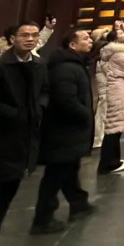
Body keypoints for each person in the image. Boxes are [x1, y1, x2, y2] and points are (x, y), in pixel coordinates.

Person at [0, 20, 47, 246]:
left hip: (25, 140)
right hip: (2, 140)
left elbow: (45, 90)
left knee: (7, 195)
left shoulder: (39, 64)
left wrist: (39, 108)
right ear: (12, 39)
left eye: (34, 35)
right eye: (25, 35)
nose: (30, 39)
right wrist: (13, 114)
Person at [32, 29, 97, 234]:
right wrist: (85, 115)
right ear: (72, 44)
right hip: (65, 129)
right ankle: (42, 218)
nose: (90, 41)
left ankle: (78, 202)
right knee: (56, 173)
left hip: (68, 129)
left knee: (68, 168)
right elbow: (65, 100)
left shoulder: (74, 64)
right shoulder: (66, 68)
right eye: (85, 38)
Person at [96, 29, 124, 174]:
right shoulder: (119, 54)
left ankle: (113, 160)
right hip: (120, 92)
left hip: (117, 91)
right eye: (121, 33)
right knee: (114, 130)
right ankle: (109, 163)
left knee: (114, 128)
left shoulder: (110, 53)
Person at [89, 27, 110, 150]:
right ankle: (97, 137)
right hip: (103, 83)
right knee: (102, 110)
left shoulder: (94, 50)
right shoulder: (103, 49)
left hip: (99, 82)